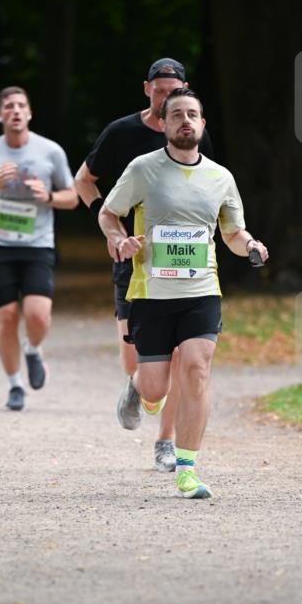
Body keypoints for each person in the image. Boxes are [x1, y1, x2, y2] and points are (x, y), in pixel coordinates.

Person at [98, 88, 269, 499]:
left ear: (203, 124)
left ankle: (187, 469)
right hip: (152, 294)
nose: (186, 120)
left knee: (196, 369)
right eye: (177, 115)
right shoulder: (143, 169)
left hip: (201, 291)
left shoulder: (220, 177)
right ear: (164, 124)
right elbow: (108, 212)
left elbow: (230, 231)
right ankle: (139, 388)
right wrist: (119, 240)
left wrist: (249, 245)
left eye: (193, 114)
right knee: (157, 387)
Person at [74, 58, 215, 473]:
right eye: (159, 91)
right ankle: (137, 387)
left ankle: (165, 442)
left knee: (179, 356)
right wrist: (113, 230)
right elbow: (84, 180)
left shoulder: (194, 134)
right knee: (139, 362)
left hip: (182, 263)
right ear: (147, 90)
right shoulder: (122, 133)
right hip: (133, 258)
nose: (166, 98)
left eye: (174, 91)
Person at [0, 87, 78, 410]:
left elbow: (73, 196)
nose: (15, 110)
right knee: (7, 316)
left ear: (29, 113)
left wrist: (49, 197)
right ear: (0, 115)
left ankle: (33, 349)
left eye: (21, 105)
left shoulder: (50, 151)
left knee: (38, 315)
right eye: (9, 106)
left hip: (38, 244)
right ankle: (15, 385)